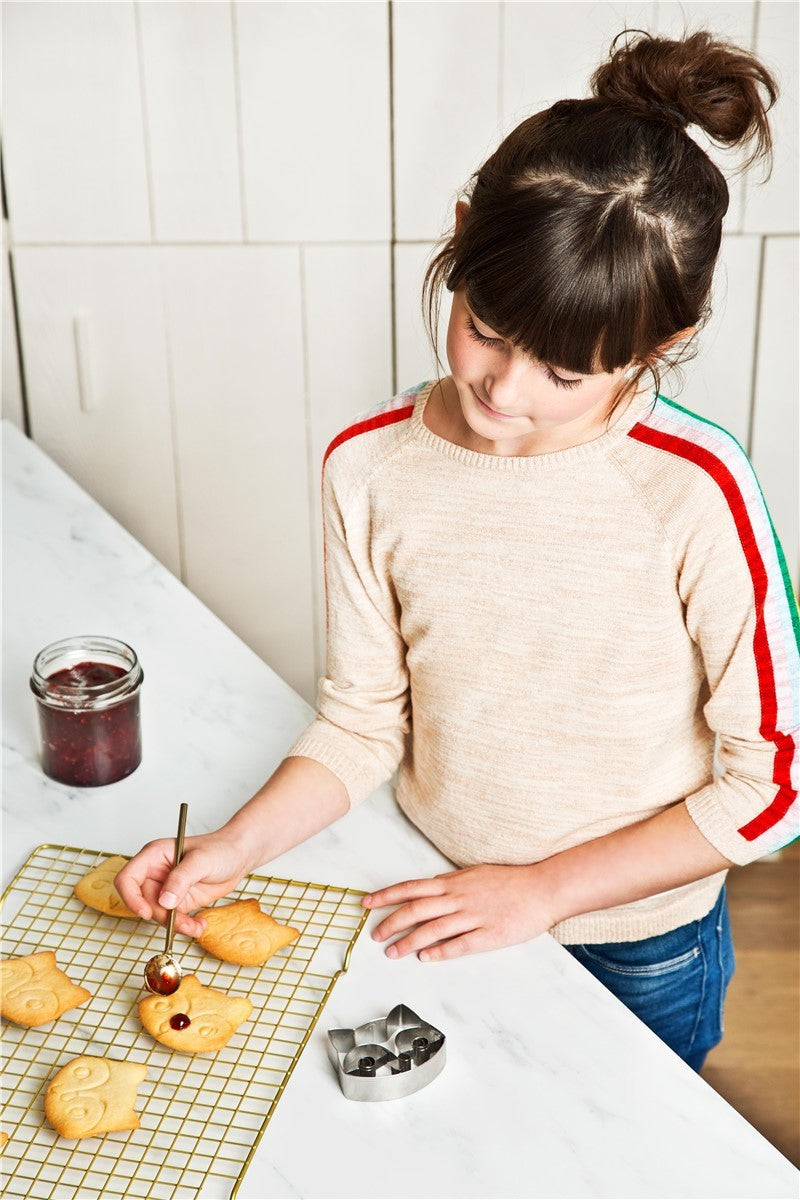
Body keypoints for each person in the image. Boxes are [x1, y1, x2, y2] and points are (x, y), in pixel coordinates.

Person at [117, 28, 798, 1073]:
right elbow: (359, 720)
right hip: (430, 893)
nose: (501, 392)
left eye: (564, 376)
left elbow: (771, 784)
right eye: (483, 326)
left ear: (654, 348)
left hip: (636, 941)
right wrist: (230, 847)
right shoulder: (367, 467)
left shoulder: (693, 491)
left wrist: (541, 891)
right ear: (461, 236)